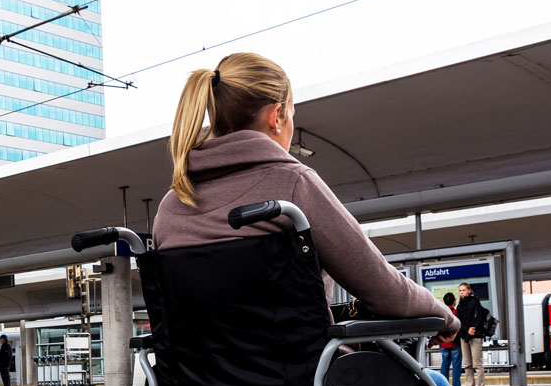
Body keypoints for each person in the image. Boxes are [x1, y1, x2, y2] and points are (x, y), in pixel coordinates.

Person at [153, 52, 458, 339]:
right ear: (276, 116)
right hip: (298, 375)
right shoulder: (293, 184)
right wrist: (445, 316)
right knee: (425, 376)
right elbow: (382, 289)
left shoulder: (171, 206)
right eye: (291, 114)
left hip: (194, 378)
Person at [455, 282, 488, 386]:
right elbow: (458, 321)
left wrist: (472, 329)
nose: (462, 292)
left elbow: (478, 318)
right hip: (464, 335)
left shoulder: (475, 302)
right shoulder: (460, 305)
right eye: (460, 291)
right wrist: (467, 330)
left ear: (469, 291)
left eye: (464, 290)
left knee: (477, 363)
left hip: (475, 335)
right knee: (467, 364)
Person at [438, 292, 462, 386]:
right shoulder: (456, 312)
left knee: (444, 366)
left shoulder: (441, 313)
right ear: (454, 302)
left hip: (444, 344)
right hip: (455, 344)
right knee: (456, 367)